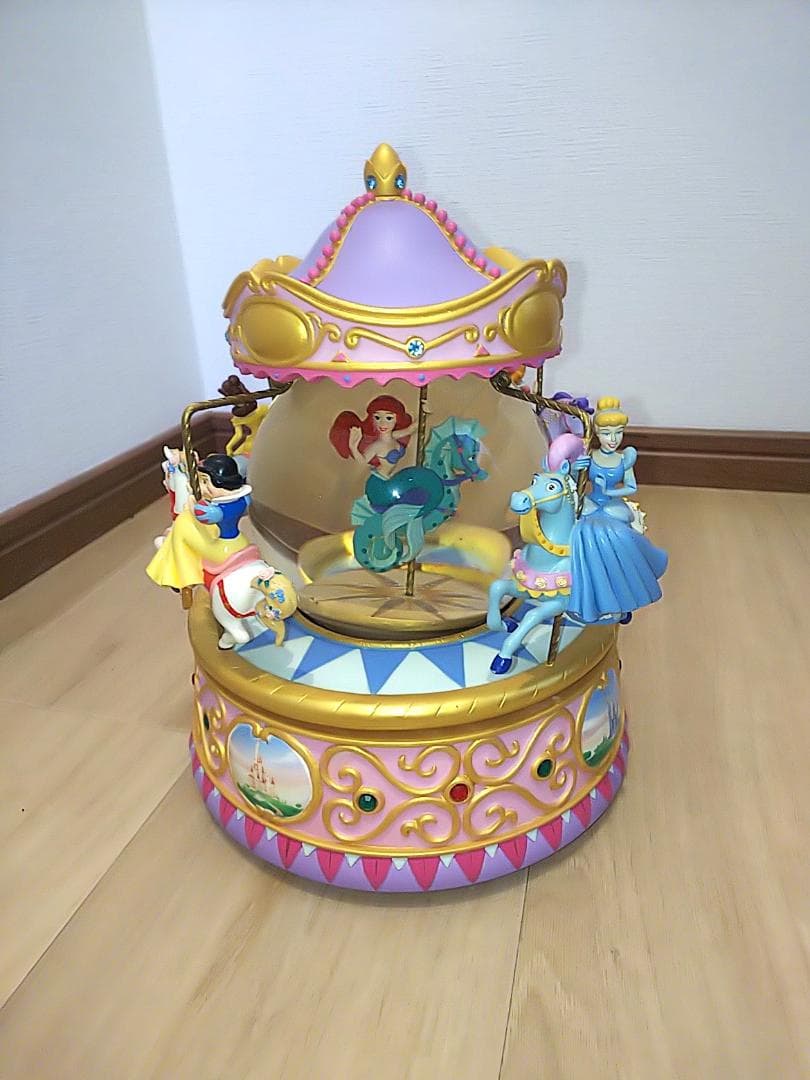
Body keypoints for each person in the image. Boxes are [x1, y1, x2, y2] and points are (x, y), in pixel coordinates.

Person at [569, 397, 668, 622]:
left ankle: (624, 590)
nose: (613, 439)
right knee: (582, 532)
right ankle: (590, 594)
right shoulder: (590, 457)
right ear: (597, 433)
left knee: (619, 534)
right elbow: (574, 485)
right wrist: (575, 470)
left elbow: (631, 487)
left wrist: (609, 491)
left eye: (618, 433)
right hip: (592, 504)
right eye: (607, 434)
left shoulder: (624, 459)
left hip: (611, 506)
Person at [146, 455, 252, 590]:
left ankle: (182, 571)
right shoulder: (243, 500)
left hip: (223, 549)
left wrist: (191, 500)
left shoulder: (216, 511)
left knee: (183, 523)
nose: (201, 486)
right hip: (240, 541)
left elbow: (197, 514)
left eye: (205, 482)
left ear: (220, 483)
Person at [329, 396, 418, 476]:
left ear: (397, 419)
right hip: (379, 480)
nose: (382, 423)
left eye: (389, 418)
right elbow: (363, 462)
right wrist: (353, 447)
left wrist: (424, 411)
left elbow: (410, 429)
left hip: (388, 477)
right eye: (377, 417)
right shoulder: (377, 446)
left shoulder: (394, 435)